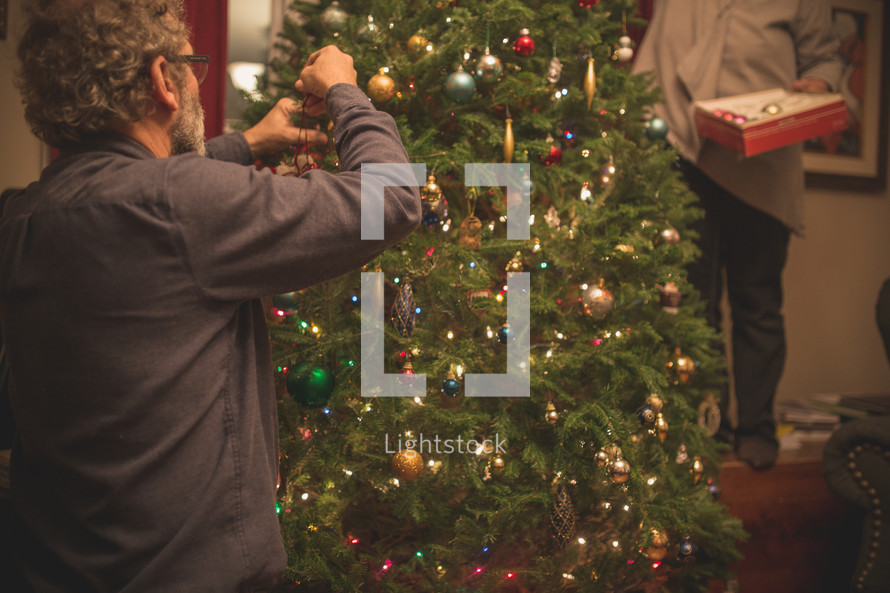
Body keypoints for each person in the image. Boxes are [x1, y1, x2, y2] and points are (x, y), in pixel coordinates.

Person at [1, 0, 421, 590]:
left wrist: (247, 142)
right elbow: (393, 200)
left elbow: (137, 182)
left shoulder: (19, 215)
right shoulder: (185, 204)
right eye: (189, 67)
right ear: (160, 80)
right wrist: (347, 92)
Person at [633, 0, 843, 469]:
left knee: (759, 301)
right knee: (694, 304)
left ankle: (756, 427)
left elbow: (826, 58)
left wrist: (821, 83)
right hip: (683, 149)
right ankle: (710, 427)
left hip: (764, 157)